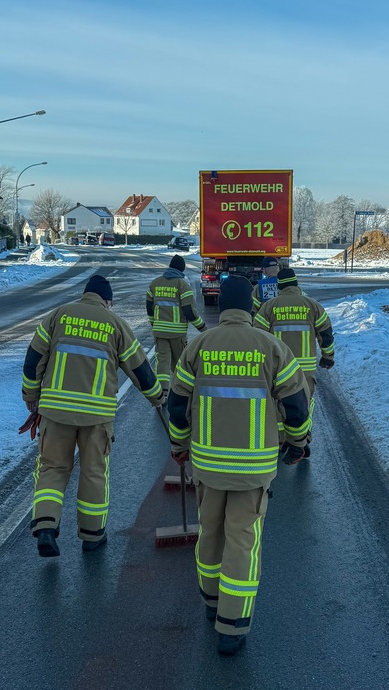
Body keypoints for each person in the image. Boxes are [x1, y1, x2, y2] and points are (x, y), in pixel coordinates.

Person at [167, 275, 310, 655]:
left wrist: (179, 446)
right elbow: (297, 407)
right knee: (242, 541)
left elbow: (177, 405)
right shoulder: (272, 348)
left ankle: (211, 603)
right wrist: (297, 445)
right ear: (250, 306)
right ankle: (231, 627)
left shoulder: (199, 346)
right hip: (254, 470)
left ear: (220, 306)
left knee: (210, 532)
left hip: (208, 466)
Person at [22, 275, 164, 558]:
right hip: (96, 416)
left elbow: (33, 360)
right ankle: (92, 535)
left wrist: (31, 397)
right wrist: (157, 398)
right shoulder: (115, 325)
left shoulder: (58, 316)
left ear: (86, 295)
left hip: (56, 412)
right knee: (93, 472)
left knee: (52, 468)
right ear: (107, 301)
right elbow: (140, 370)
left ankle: (47, 525)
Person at [253, 268, 334, 451]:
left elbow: (258, 336)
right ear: (296, 283)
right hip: (305, 370)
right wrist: (328, 357)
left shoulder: (270, 306)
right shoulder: (312, 305)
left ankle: (282, 440)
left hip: (278, 368)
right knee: (303, 404)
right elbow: (326, 333)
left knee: (280, 404)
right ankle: (303, 439)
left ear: (279, 286)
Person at [146, 254, 206, 395]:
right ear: (181, 269)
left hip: (160, 332)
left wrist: (154, 324)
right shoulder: (182, 285)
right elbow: (189, 311)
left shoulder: (155, 283)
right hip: (177, 333)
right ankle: (181, 392)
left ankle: (163, 393)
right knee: (180, 363)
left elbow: (149, 308)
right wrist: (203, 328)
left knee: (162, 362)